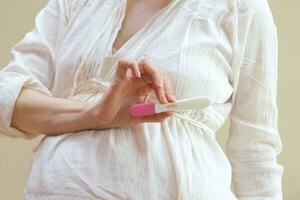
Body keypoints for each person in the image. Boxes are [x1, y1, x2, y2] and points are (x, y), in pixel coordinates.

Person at [0, 0, 284, 199]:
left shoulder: (241, 8)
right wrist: (96, 113)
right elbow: (7, 99)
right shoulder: (74, 4)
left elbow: (255, 152)